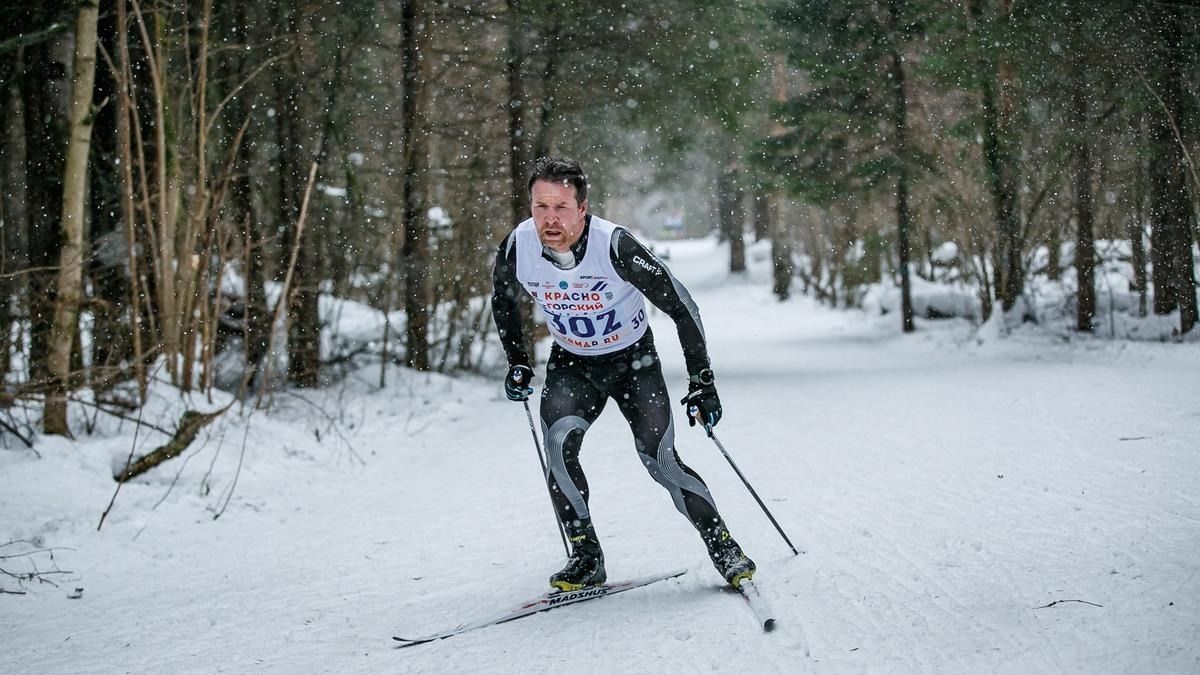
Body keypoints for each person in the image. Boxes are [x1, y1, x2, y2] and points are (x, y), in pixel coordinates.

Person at [490, 156, 755, 592]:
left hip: (634, 363)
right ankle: (586, 557)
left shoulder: (614, 246)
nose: (549, 219)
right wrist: (518, 359)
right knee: (558, 448)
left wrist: (702, 381)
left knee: (661, 460)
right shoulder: (518, 245)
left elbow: (682, 308)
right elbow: (502, 299)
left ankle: (723, 546)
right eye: (540, 207)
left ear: (583, 207)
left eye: (561, 207)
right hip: (573, 363)